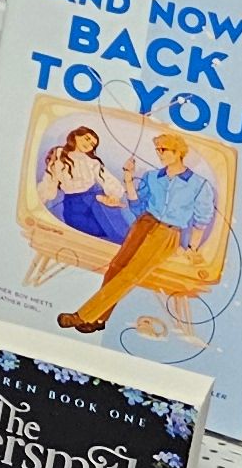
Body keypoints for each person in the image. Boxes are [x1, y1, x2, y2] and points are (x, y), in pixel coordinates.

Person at [64, 131, 219, 334]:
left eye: (163, 150)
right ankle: (100, 318)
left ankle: (84, 315)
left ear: (178, 152)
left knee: (130, 275)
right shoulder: (152, 177)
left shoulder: (199, 185)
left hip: (167, 232)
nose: (159, 154)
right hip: (143, 224)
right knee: (115, 268)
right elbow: (137, 207)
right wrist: (128, 180)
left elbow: (201, 221)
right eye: (157, 150)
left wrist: (192, 248)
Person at [40, 125, 129, 243]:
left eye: (92, 144)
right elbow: (49, 181)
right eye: (87, 139)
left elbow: (107, 179)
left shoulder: (92, 161)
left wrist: (113, 195)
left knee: (115, 228)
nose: (88, 145)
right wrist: (39, 201)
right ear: (76, 135)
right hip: (73, 206)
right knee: (84, 229)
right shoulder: (59, 154)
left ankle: (129, 242)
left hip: (95, 200)